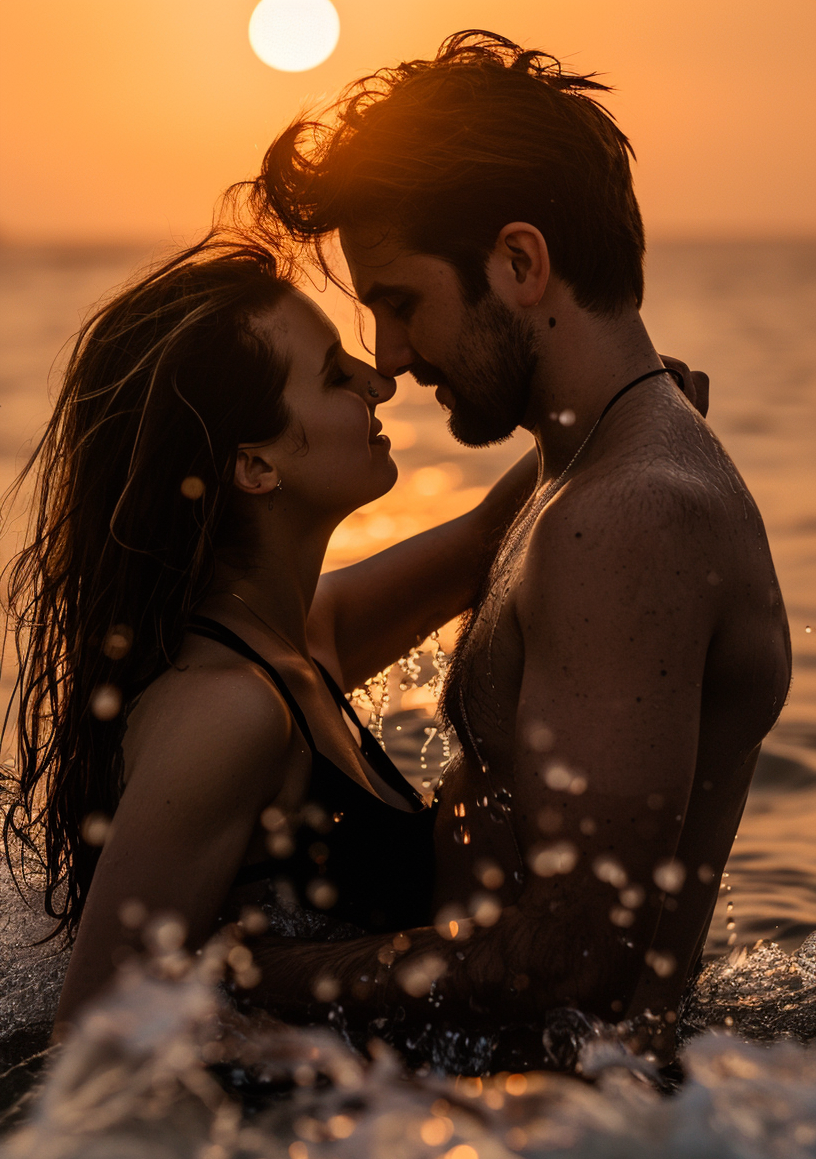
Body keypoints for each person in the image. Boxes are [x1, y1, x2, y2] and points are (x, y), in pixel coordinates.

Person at [237, 31, 790, 1057]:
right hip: (506, 1097)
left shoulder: (625, 518)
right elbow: (303, 640)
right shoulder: (578, 475)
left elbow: (575, 958)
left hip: (557, 1129)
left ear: (521, 261)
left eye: (400, 304)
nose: (390, 359)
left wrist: (254, 977)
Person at [1, 233, 542, 1030]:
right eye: (333, 376)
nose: (378, 381)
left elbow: (484, 542)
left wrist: (621, 405)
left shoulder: (296, 640)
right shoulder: (230, 708)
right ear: (255, 467)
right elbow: (96, 1036)